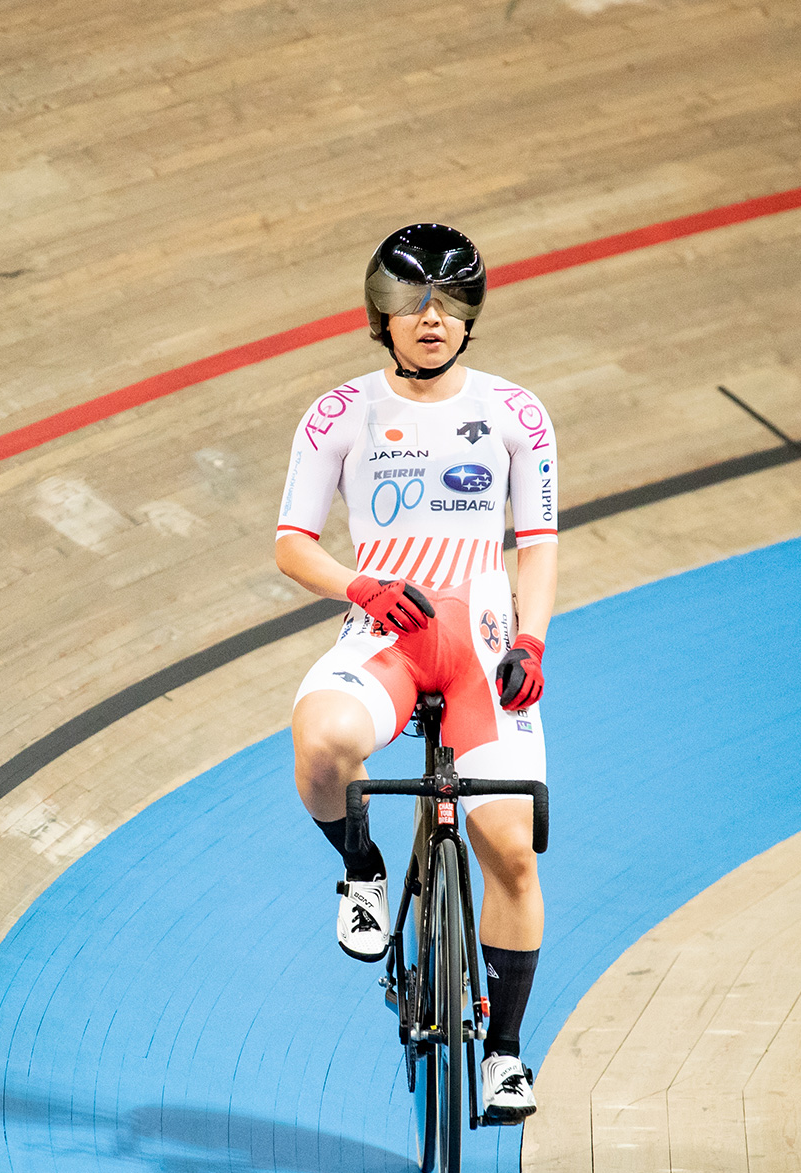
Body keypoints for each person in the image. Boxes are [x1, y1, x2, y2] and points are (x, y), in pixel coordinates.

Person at [274, 223, 559, 1124]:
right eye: (413, 306)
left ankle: (505, 1054)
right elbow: (291, 546)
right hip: (384, 631)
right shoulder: (338, 413)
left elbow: (539, 546)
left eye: (449, 305)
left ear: (469, 318)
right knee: (323, 742)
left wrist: (532, 641)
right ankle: (362, 869)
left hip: (480, 641)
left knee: (509, 845)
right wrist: (362, 582)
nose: (432, 320)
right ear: (381, 317)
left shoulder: (518, 414)